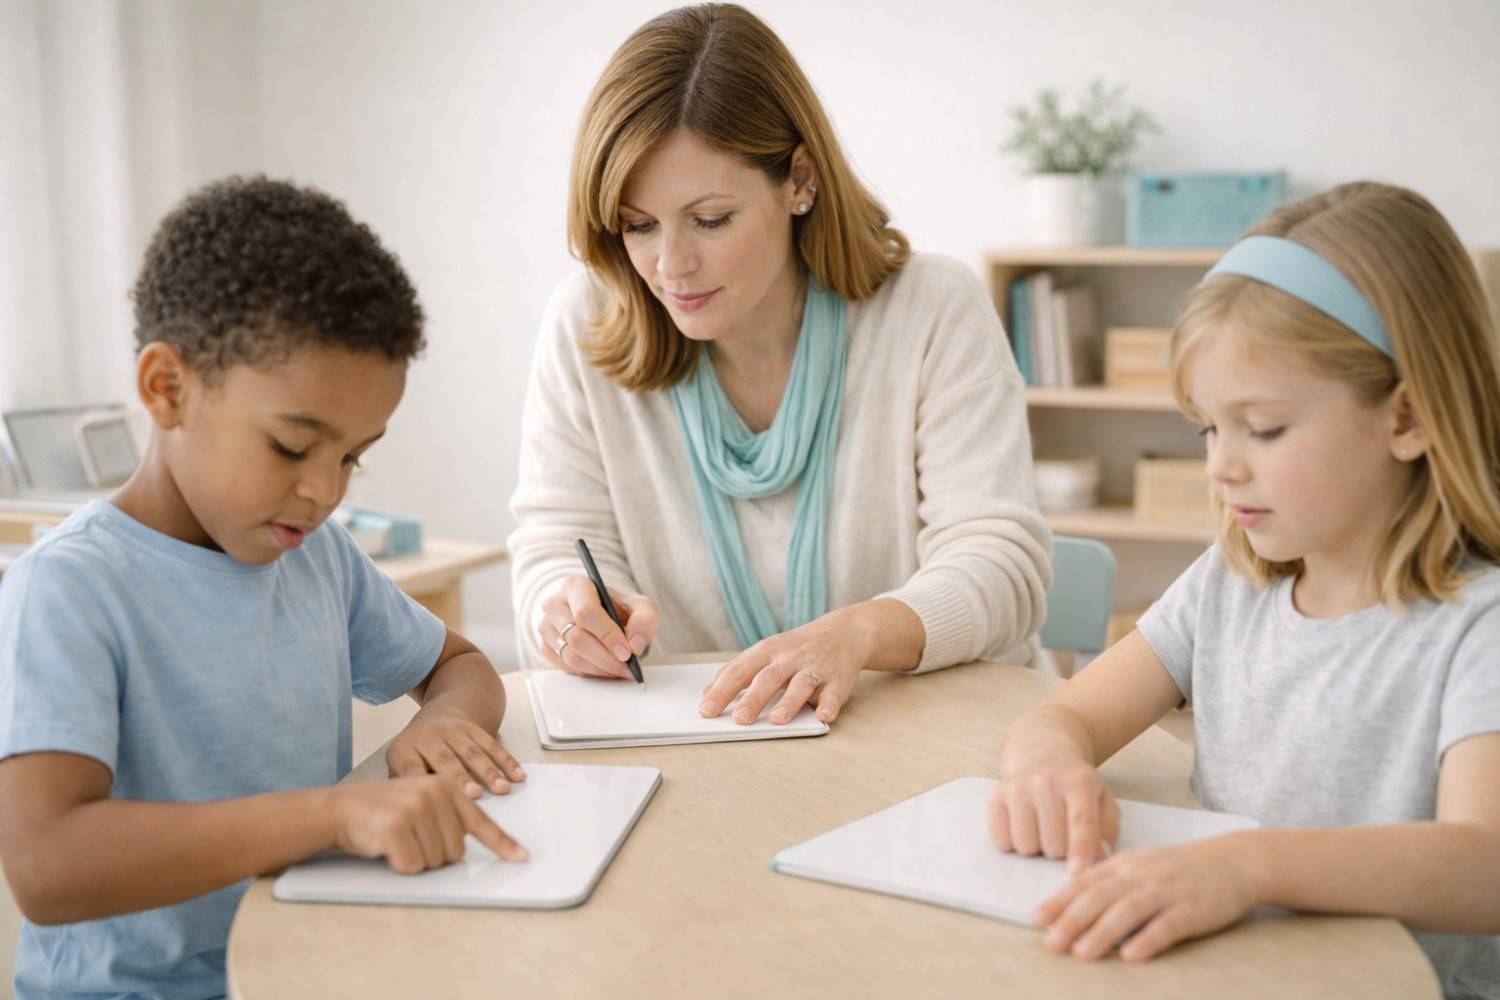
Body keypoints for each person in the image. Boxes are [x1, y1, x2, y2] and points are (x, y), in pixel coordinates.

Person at [0, 177, 529, 1000]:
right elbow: (47, 863)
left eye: (352, 456)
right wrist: (333, 815)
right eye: (292, 447)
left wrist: (449, 721)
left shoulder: (315, 556)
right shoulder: (69, 590)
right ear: (166, 389)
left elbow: (459, 663)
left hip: (302, 967)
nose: (325, 491)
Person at [987, 182, 1500, 995]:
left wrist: (1248, 866)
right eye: (1208, 428)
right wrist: (1047, 765)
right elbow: (1068, 714)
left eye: (1262, 429)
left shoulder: (1478, 628)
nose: (1221, 465)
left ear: (1407, 419)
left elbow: (1486, 867)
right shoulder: (1229, 586)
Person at [508, 3, 1049, 727]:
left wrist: (856, 635)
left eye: (710, 220)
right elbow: (553, 544)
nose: (670, 266)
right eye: (638, 226)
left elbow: (1001, 566)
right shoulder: (583, 323)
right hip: (704, 748)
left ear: (799, 180)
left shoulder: (932, 309)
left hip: (925, 733)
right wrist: (565, 609)